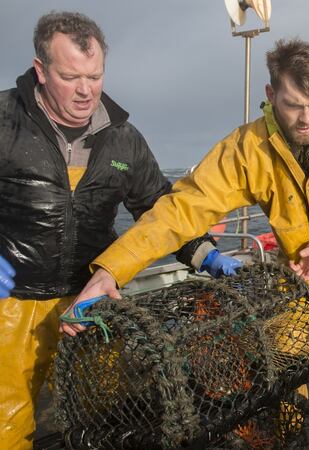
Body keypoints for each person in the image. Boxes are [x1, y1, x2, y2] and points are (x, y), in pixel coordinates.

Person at [64, 38, 309, 403]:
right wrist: (110, 271)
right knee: (284, 370)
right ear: (271, 95)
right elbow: (182, 209)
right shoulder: (248, 147)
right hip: (305, 275)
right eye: (293, 105)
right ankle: (293, 435)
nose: (306, 118)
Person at [0, 12, 238, 447]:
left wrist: (206, 254)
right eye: (70, 76)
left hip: (92, 302)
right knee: (5, 424)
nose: (86, 89)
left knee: (109, 415)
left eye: (95, 75)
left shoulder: (123, 138)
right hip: (11, 308)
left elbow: (159, 209)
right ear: (40, 70)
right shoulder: (4, 121)